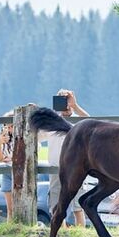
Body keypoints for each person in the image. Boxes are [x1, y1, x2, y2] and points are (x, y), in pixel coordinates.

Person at [38, 89, 90, 227]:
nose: (65, 104)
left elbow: (91, 124)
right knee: (56, 202)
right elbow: (36, 136)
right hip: (56, 167)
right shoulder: (51, 122)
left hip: (76, 167)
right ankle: (61, 232)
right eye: (61, 100)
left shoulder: (78, 121)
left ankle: (80, 233)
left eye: (66, 100)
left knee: (78, 203)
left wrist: (75, 106)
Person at [0, 110, 14, 222]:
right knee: (10, 208)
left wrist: (12, 158)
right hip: (7, 171)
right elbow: (0, 158)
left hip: (19, 171)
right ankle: (10, 228)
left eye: (12, 126)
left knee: (20, 206)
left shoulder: (25, 136)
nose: (10, 129)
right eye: (8, 126)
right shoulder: (4, 138)